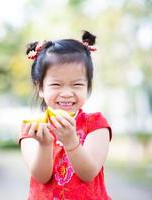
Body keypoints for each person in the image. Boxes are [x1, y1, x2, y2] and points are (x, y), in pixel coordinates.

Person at [19, 31, 112, 200]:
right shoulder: (33, 130)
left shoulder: (96, 124)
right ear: (40, 87)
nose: (67, 93)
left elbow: (89, 173)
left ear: (87, 87)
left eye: (77, 84)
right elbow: (42, 177)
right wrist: (45, 145)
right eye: (56, 84)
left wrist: (71, 143)